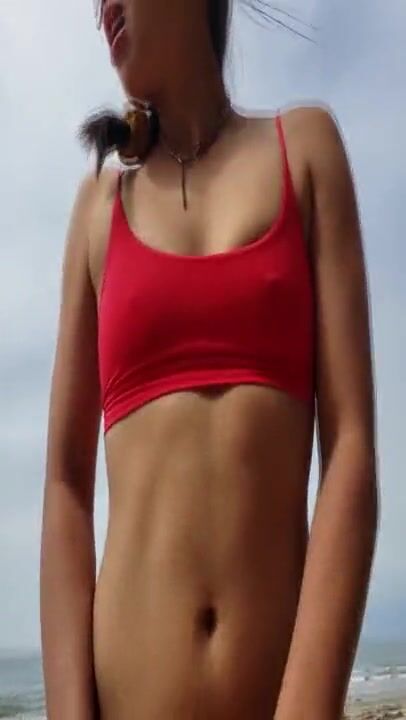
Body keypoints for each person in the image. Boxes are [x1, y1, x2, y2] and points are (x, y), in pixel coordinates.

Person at [40, 0, 379, 718]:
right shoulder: (99, 207)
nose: (101, 9)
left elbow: (350, 447)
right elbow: (67, 484)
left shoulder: (303, 149)